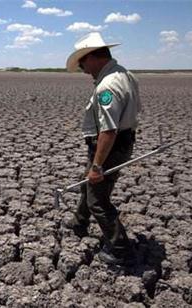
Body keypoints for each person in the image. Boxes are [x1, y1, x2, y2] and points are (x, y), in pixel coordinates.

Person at [65, 32, 141, 265]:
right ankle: (79, 223)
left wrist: (97, 165)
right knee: (86, 182)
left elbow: (109, 130)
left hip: (109, 147)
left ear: (94, 57)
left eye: (83, 62)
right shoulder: (125, 74)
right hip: (119, 143)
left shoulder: (107, 86)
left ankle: (120, 249)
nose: (82, 68)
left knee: (97, 199)